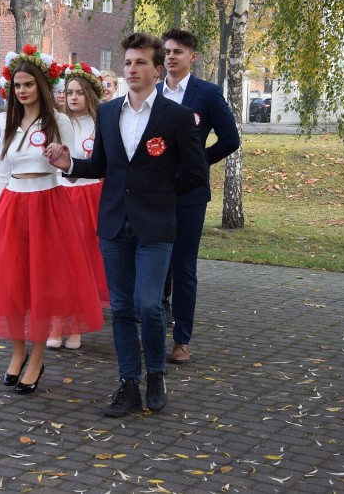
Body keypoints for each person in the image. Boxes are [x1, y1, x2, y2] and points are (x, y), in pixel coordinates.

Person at [48, 32, 209, 415]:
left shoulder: (177, 117)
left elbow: (196, 173)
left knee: (149, 304)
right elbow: (103, 166)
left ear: (157, 69)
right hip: (114, 224)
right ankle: (128, 383)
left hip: (156, 227)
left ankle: (155, 374)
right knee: (121, 307)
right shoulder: (108, 112)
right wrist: (69, 165)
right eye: (127, 63)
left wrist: (163, 194)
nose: (132, 69)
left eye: (140, 62)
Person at [0, 45, 104, 395]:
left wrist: (63, 160)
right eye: (17, 85)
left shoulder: (58, 121)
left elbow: (74, 169)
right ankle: (17, 353)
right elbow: (2, 175)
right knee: (12, 286)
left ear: (41, 87)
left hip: (48, 205)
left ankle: (36, 358)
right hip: (12, 207)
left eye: (28, 84)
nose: (22, 91)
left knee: (40, 285)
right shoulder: (5, 122)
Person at [159, 28, 240, 363]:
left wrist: (199, 161)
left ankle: (181, 340)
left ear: (193, 57)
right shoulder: (151, 91)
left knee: (183, 265)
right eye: (166, 51)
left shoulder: (206, 93)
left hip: (189, 192)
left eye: (178, 51)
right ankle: (152, 323)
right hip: (154, 190)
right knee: (153, 260)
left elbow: (230, 139)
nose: (170, 57)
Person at [47, 63, 110, 351]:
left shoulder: (101, 123)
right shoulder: (59, 122)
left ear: (90, 95)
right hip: (62, 195)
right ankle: (57, 323)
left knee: (82, 263)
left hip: (89, 197)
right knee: (60, 263)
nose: (73, 97)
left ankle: (75, 327)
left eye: (79, 93)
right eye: (69, 92)